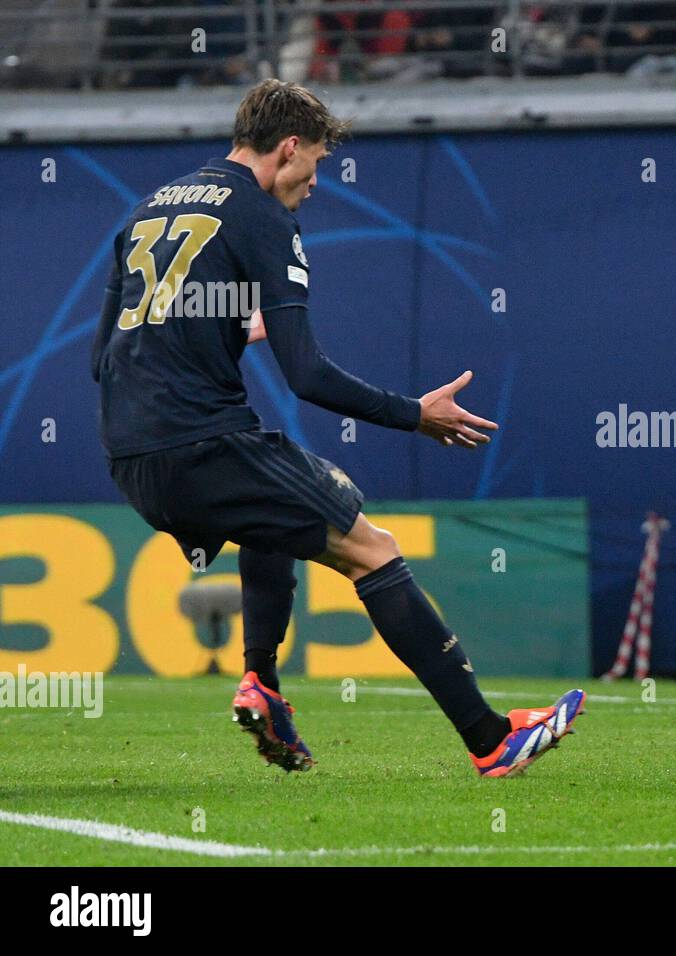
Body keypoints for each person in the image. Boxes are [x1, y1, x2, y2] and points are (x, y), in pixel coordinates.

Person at [92, 79, 584, 777]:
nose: (316, 182)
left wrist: (221, 334)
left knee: (278, 516)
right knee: (372, 548)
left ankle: (261, 681)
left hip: (129, 452)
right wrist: (416, 415)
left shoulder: (145, 211)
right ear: (287, 149)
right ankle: (491, 738)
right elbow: (308, 376)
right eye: (316, 164)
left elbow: (100, 356)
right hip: (200, 439)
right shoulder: (261, 216)